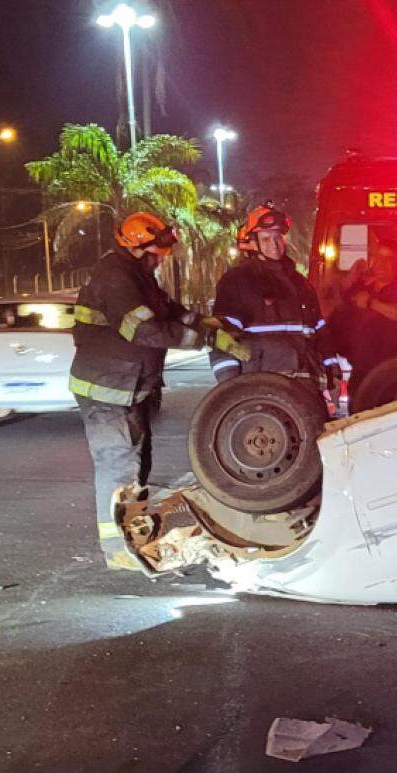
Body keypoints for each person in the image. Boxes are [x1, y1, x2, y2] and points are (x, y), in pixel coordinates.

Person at [70, 211, 248, 570]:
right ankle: (117, 550)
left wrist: (202, 321)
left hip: (128, 388)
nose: (159, 261)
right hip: (107, 389)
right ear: (139, 249)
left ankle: (133, 536)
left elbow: (167, 310)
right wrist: (204, 338)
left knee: (136, 466)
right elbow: (145, 330)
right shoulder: (116, 278)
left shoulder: (137, 276)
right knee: (118, 466)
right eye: (156, 254)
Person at [210, 203, 335, 387]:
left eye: (277, 237)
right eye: (266, 239)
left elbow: (319, 331)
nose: (274, 244)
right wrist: (230, 385)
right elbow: (221, 336)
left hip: (305, 382)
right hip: (260, 384)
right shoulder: (237, 281)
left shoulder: (300, 283)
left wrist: (331, 367)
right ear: (252, 243)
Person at [327, 237, 397, 396]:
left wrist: (371, 302)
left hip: (393, 373)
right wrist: (351, 276)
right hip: (361, 373)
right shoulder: (362, 287)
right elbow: (331, 304)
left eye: (388, 258)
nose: (381, 263)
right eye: (377, 257)